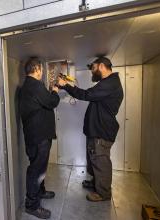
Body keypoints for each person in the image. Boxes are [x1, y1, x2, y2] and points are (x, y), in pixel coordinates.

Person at [58, 57, 124, 202]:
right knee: (94, 158)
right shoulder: (107, 83)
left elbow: (87, 94)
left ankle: (103, 193)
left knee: (101, 161)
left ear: (101, 66)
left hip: (102, 130)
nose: (92, 72)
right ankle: (96, 183)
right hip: (97, 130)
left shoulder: (110, 83)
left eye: (93, 68)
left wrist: (65, 86)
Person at [19, 57, 60, 219]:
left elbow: (42, 103)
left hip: (36, 136)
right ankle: (32, 205)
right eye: (41, 69)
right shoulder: (34, 85)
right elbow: (51, 102)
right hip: (39, 137)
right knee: (36, 170)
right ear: (36, 69)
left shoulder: (29, 87)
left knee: (39, 167)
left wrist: (49, 91)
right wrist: (55, 91)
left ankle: (40, 192)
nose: (42, 72)